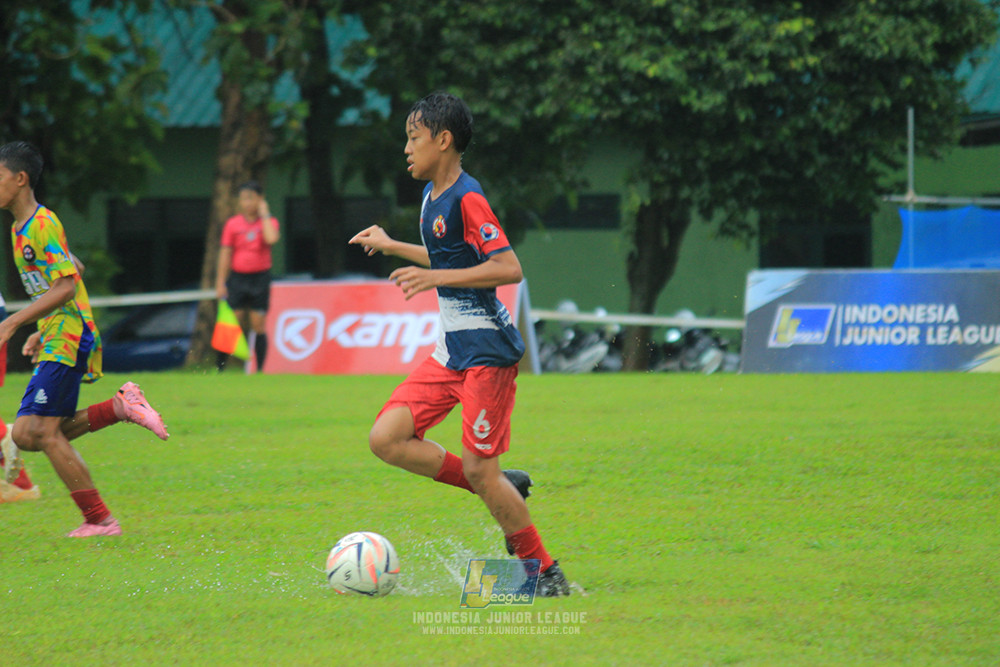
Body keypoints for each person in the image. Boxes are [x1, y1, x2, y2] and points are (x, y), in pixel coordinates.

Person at [349, 92, 570, 597]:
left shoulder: (469, 197)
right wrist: (392, 244)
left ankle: (544, 576)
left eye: (413, 137)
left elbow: (509, 267)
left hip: (487, 354)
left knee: (479, 467)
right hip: (452, 352)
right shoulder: (432, 197)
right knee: (386, 438)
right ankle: (497, 484)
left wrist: (435, 278)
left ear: (442, 140)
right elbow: (442, 252)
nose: (406, 149)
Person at [0, 140, 169, 537]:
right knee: (27, 435)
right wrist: (40, 330)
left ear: (20, 178)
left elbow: (65, 286)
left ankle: (99, 520)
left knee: (39, 432)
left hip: (71, 335)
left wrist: (12, 325)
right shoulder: (19, 229)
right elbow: (68, 267)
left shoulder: (42, 223)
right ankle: (119, 407)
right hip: (58, 333)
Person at [215, 181, 280, 372]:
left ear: (260, 199)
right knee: (231, 322)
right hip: (237, 278)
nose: (246, 203)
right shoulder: (232, 224)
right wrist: (220, 282)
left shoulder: (269, 222)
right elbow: (225, 253)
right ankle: (220, 369)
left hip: (260, 278)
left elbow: (271, 239)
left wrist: (265, 213)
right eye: (243, 198)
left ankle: (259, 370)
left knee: (258, 324)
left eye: (251, 198)